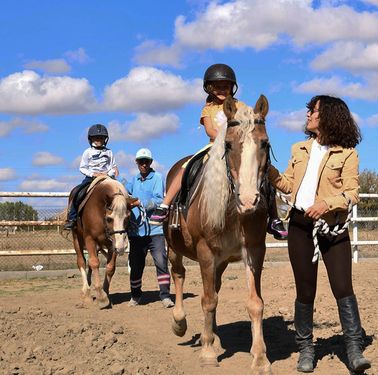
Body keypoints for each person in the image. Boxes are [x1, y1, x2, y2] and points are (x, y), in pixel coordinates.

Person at [267, 95, 370, 373]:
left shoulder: (347, 153)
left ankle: (353, 347)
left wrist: (327, 203)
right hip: (300, 226)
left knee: (342, 287)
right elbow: (288, 184)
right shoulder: (299, 149)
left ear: (329, 116)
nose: (308, 114)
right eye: (309, 110)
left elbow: (352, 193)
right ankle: (306, 349)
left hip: (332, 228)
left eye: (313, 110)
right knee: (305, 290)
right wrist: (267, 169)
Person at [148, 63, 288, 240]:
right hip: (214, 145)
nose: (222, 90)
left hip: (238, 146)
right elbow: (209, 130)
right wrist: (223, 137)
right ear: (210, 88)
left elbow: (250, 125)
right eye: (218, 86)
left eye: (226, 86)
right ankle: (166, 205)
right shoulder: (208, 109)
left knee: (263, 172)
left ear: (232, 88)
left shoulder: (241, 105)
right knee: (186, 166)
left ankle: (274, 218)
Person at [125, 148, 174, 308]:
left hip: (155, 230)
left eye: (146, 161)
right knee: (136, 264)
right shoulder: (134, 180)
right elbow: (126, 192)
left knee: (161, 261)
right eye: (141, 161)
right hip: (136, 231)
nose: (144, 164)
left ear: (151, 162)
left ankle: (165, 296)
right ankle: (135, 295)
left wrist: (141, 202)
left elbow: (159, 198)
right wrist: (117, 179)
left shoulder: (158, 178)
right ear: (137, 163)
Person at [64, 124, 119, 230]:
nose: (99, 140)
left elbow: (113, 167)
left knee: (122, 193)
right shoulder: (87, 152)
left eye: (101, 138)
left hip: (107, 178)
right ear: (91, 139)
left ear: (105, 139)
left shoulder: (109, 152)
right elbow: (82, 168)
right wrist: (93, 174)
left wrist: (108, 174)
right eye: (96, 137)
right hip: (91, 178)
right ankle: (72, 218)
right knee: (76, 192)